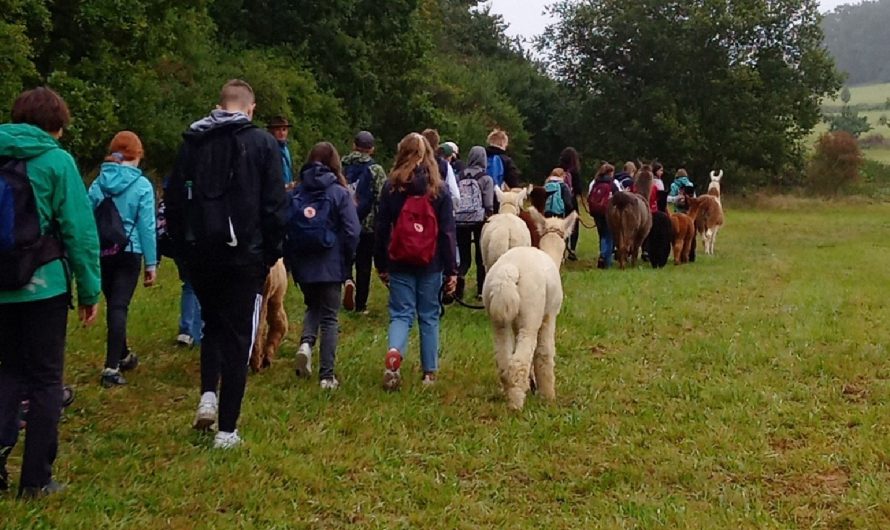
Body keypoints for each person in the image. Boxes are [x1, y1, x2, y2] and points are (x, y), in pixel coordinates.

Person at [165, 79, 288, 449]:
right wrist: (270, 253)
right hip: (243, 256)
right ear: (250, 109)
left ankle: (207, 395)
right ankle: (227, 429)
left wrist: (181, 249)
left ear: (219, 105)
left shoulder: (193, 142)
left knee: (212, 324)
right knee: (238, 337)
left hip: (201, 252)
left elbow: (173, 198)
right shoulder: (263, 144)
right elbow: (275, 206)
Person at [0, 87, 101, 498]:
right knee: (44, 382)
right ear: (56, 125)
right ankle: (36, 479)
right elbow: (79, 231)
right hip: (44, 288)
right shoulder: (57, 162)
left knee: (5, 372)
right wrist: (91, 289)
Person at [375, 133, 457, 390]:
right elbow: (447, 232)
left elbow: (381, 228)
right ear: (427, 155)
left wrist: (382, 264)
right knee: (429, 316)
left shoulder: (391, 187)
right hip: (430, 263)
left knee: (400, 314)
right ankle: (429, 374)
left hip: (399, 260)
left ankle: (393, 357)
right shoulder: (438, 190)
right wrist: (452, 270)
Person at [88, 131, 158, 387]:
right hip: (130, 251)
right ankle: (110, 367)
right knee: (119, 307)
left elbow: (88, 217)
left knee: (113, 304)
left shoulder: (98, 183)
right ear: (136, 155)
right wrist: (151, 263)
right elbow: (147, 227)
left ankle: (123, 354)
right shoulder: (142, 186)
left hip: (103, 251)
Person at [289, 142, 360, 389]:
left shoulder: (297, 191)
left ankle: (306, 344)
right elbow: (352, 230)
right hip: (330, 261)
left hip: (303, 261)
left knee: (312, 306)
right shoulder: (339, 192)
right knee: (330, 317)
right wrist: (346, 258)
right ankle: (327, 376)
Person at [341, 131, 386, 313]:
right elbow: (381, 198)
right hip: (366, 225)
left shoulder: (341, 165)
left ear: (354, 145)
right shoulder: (376, 170)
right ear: (372, 149)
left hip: (344, 222)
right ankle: (360, 305)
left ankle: (346, 280)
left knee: (345, 258)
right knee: (364, 264)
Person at [454, 146, 495, 301]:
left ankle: (459, 288)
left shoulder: (460, 175)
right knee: (480, 257)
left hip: (460, 220)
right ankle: (480, 291)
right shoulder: (486, 179)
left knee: (464, 258)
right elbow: (488, 203)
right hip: (479, 221)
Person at [587, 163, 620, 269]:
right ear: (610, 172)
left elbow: (589, 196)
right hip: (608, 213)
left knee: (602, 235)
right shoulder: (612, 183)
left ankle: (602, 254)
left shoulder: (595, 182)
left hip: (596, 213)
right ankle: (606, 260)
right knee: (609, 236)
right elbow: (618, 196)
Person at [421, 129, 460, 211]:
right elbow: (455, 195)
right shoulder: (444, 165)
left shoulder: (415, 163)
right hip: (437, 212)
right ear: (437, 145)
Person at [558, 147, 583, 260]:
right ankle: (572, 249)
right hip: (571, 202)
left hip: (559, 201)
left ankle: (562, 248)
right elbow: (578, 189)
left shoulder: (558, 170)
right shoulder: (575, 172)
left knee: (561, 224)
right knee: (573, 225)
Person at [266, 116, 295, 189]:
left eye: (284, 129)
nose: (282, 133)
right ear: (272, 131)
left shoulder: (286, 148)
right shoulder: (268, 149)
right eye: (278, 130)